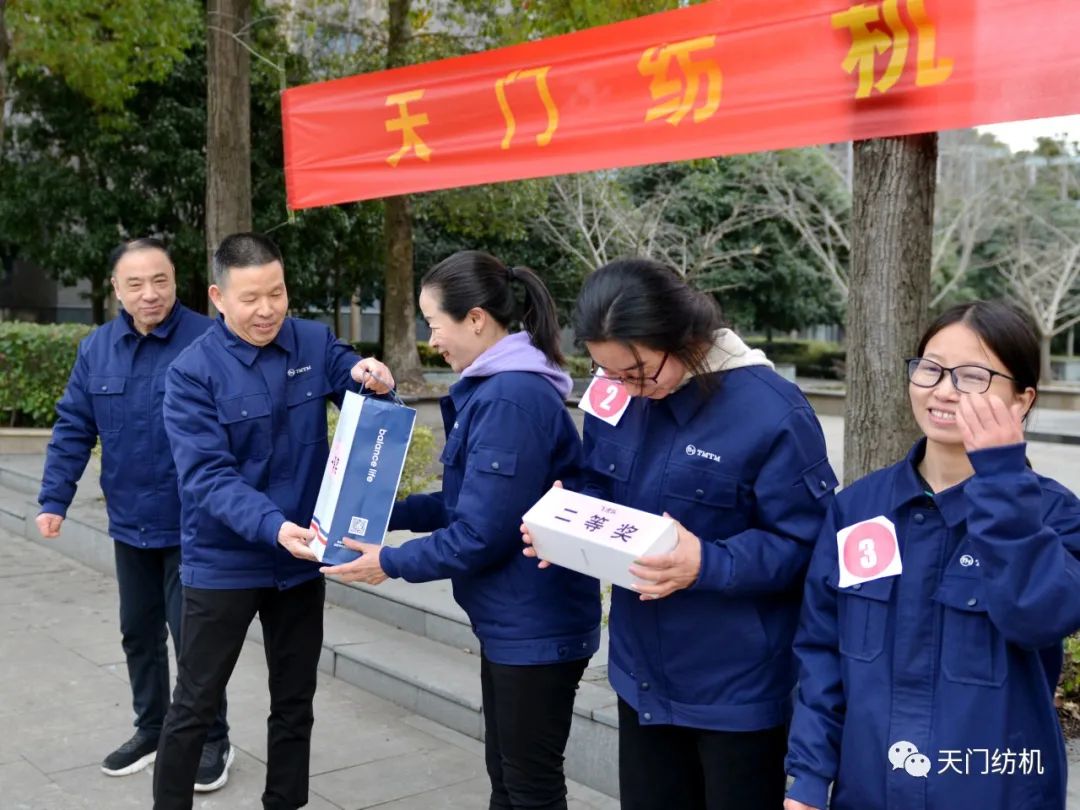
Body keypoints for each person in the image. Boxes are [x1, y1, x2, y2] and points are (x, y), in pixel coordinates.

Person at [524, 258, 837, 810]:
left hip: (736, 689)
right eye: (608, 372)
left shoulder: (771, 411)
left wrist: (708, 563)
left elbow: (807, 544)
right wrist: (567, 522)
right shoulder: (619, 394)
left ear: (685, 337)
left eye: (639, 372)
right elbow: (598, 481)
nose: (627, 388)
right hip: (639, 673)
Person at [322, 250, 601, 810]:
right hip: (514, 620)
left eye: (434, 324)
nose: (433, 341)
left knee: (529, 787)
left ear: (475, 319)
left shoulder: (510, 398)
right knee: (508, 776)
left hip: (536, 625)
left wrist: (388, 562)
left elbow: (480, 533)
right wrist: (379, 511)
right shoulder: (495, 389)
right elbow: (467, 503)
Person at [784, 300, 1080, 810]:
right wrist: (808, 780)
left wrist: (1003, 481)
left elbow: (1038, 616)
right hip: (870, 792)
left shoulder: (1054, 515)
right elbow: (821, 653)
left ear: (1022, 399)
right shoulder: (859, 509)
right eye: (931, 368)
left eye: (973, 376)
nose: (944, 390)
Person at [152, 232, 394, 810]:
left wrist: (372, 379)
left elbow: (357, 387)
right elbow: (207, 476)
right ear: (218, 297)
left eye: (277, 293)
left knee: (294, 699)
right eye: (251, 298)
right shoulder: (192, 372)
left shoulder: (312, 340)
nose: (267, 310)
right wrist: (272, 526)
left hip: (301, 559)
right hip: (225, 562)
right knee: (195, 703)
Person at [35, 238, 233, 788]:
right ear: (117, 290)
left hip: (195, 525)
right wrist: (54, 498)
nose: (150, 294)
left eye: (160, 280)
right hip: (130, 523)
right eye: (136, 284)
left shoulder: (211, 339)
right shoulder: (97, 348)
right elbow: (74, 426)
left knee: (193, 641)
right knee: (138, 634)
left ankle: (212, 740)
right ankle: (151, 729)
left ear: (176, 280)